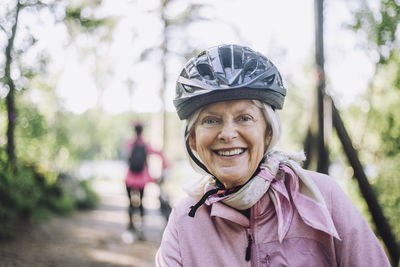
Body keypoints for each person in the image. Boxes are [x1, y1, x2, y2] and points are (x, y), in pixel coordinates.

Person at [156, 44, 391, 266]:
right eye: (211, 120)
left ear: (268, 131)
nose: (227, 134)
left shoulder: (322, 197)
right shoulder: (185, 220)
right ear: (193, 139)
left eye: (244, 118)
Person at [125, 122, 169, 231]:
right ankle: (141, 226)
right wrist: (165, 166)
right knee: (141, 201)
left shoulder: (129, 143)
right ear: (142, 131)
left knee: (130, 202)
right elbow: (159, 153)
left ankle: (130, 226)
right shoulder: (145, 145)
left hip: (129, 178)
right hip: (142, 179)